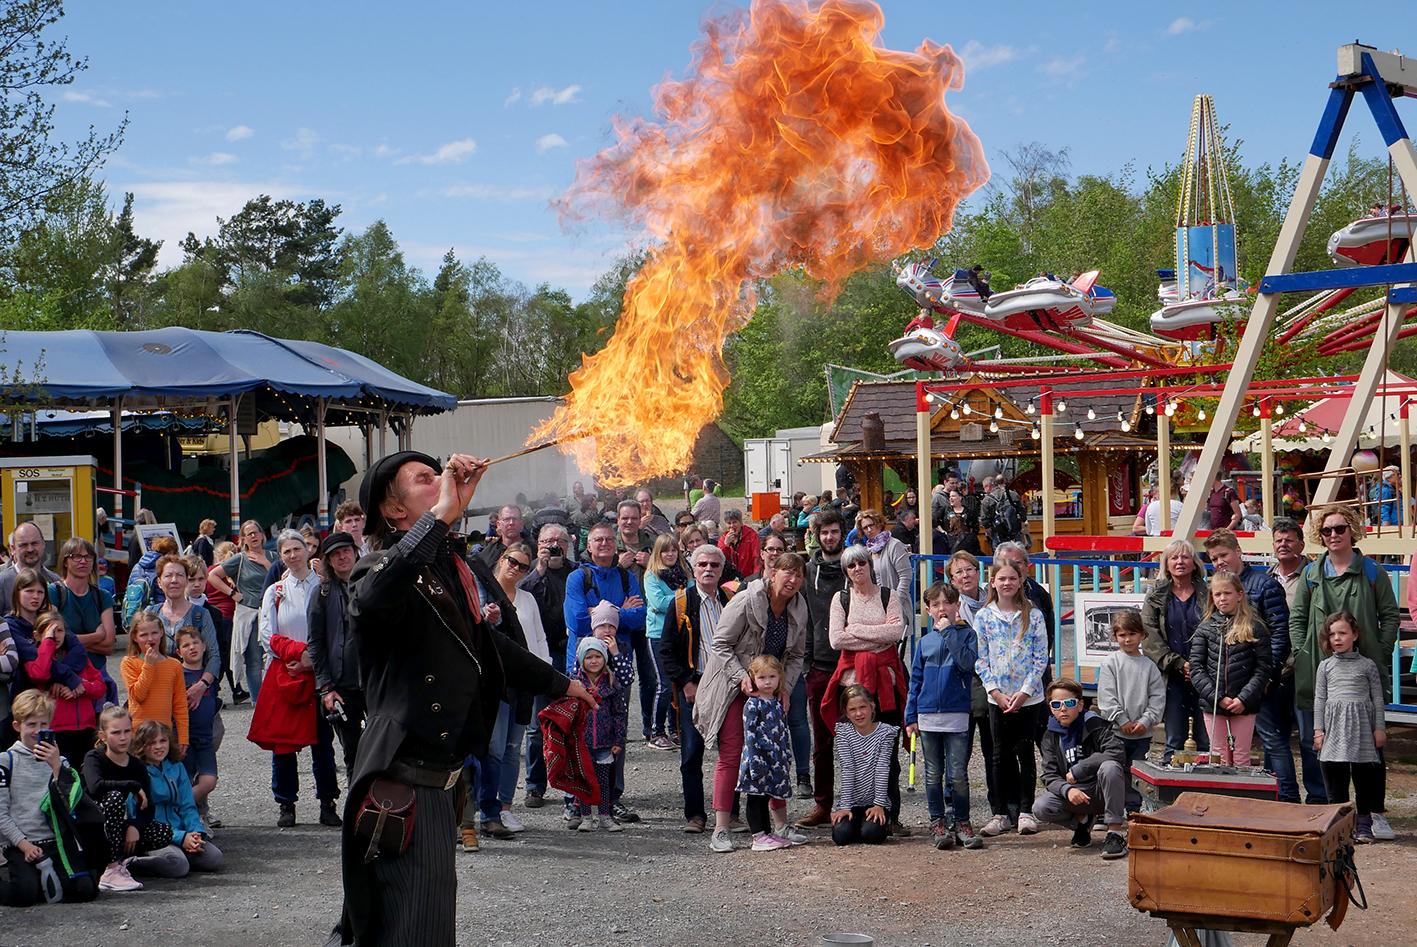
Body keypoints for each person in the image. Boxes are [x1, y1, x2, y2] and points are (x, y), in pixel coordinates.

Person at [331, 450, 593, 947]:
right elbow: (369, 600)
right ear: (395, 510)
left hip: (442, 778)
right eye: (425, 480)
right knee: (414, 926)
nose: (442, 483)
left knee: (416, 921)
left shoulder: (451, 567)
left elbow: (485, 642)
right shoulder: (379, 567)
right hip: (403, 776)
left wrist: (561, 683)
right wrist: (441, 515)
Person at [1290, 504, 1398, 840]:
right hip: (1321, 671)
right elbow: (1298, 618)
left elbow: (1390, 615)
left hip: (1363, 672)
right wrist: (1302, 652)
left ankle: (1374, 813)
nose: (1333, 535)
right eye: (1327, 531)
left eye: (1339, 529)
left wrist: (1379, 651)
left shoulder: (1371, 571)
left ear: (1352, 530)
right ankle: (1332, 811)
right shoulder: (1311, 574)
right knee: (1321, 743)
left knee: (1371, 749)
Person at [694, 554, 808, 854]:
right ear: (773, 573)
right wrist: (740, 677)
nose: (792, 579)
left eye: (798, 575)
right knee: (733, 754)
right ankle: (721, 829)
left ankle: (780, 823)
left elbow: (796, 656)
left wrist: (785, 687)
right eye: (787, 572)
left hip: (770, 688)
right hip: (735, 686)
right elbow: (720, 643)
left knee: (775, 755)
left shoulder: (799, 607)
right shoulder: (746, 599)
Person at [563, 520, 647, 824]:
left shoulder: (626, 577)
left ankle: (613, 798)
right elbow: (576, 621)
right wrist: (618, 611)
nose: (604, 544)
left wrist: (601, 612)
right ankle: (576, 800)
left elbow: (639, 618)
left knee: (614, 733)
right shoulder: (577, 577)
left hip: (616, 665)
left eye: (609, 540)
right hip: (581, 669)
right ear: (588, 545)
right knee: (578, 734)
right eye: (598, 539)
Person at [255, 529, 336, 828]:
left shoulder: (325, 586)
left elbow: (334, 628)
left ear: (307, 550)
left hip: (320, 673)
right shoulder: (275, 591)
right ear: (281, 555)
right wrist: (297, 655)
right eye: (286, 551)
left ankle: (328, 802)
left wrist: (312, 660)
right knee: (284, 743)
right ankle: (286, 803)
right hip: (288, 671)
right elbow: (267, 634)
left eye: (296, 549)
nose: (292, 555)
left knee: (322, 742)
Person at [826, 544, 908, 834]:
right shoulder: (841, 598)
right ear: (846, 571)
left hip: (885, 684)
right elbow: (836, 639)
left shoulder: (889, 595)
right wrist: (877, 639)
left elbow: (896, 632)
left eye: (861, 563)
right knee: (852, 752)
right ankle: (854, 808)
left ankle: (890, 813)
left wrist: (856, 629)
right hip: (852, 687)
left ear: (870, 565)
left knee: (888, 754)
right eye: (851, 565)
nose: (857, 569)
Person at [0, 688, 105, 905]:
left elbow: (72, 805)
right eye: (31, 725)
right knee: (24, 895)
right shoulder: (6, 761)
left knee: (86, 890)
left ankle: (49, 878)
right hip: (21, 843)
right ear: (17, 726)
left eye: (43, 725)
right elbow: (0, 813)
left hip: (57, 841)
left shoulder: (61, 761)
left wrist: (56, 766)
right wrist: (24, 845)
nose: (38, 731)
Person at [659, 543, 735, 833]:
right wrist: (686, 682)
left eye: (714, 565)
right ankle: (695, 815)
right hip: (695, 685)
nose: (708, 569)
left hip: (727, 686)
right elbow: (666, 651)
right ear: (692, 568)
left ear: (721, 569)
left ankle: (730, 813)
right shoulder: (680, 604)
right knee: (692, 753)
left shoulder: (730, 599)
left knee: (731, 752)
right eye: (702, 564)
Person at [973, 560, 1048, 838]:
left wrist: (1026, 690)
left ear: (1020, 581)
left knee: (1025, 753)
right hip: (998, 698)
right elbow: (980, 658)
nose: (1007, 583)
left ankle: (1026, 811)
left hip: (1027, 698)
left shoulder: (1033, 615)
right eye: (1001, 578)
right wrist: (994, 690)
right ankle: (1000, 812)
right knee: (998, 755)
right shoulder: (984, 616)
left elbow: (1041, 657)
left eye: (1012, 578)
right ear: (993, 582)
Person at [905, 583, 981, 850]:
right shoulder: (924, 642)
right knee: (932, 773)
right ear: (928, 610)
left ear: (956, 605)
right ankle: (937, 821)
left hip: (957, 713)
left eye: (946, 603)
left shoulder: (967, 635)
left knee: (958, 774)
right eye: (935, 605)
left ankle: (962, 821)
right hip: (927, 716)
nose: (941, 609)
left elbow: (967, 664)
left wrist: (949, 632)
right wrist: (910, 714)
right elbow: (915, 680)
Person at [1032, 678, 1129, 860]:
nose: (1063, 708)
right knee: (1041, 807)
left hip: (1102, 790)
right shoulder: (1049, 735)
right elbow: (1049, 775)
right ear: (1051, 708)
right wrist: (1067, 790)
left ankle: (1115, 833)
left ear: (1080, 704)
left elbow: (1116, 751)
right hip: (1076, 794)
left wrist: (1079, 770)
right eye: (1056, 704)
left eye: (1069, 703)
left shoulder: (1094, 724)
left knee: (1110, 767)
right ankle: (1082, 823)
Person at [1313, 611, 1387, 844]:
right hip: (1334, 730)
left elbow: (1377, 699)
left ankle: (1363, 822)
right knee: (1336, 778)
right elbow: (1319, 700)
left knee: (1364, 777)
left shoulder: (1368, 666)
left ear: (1354, 635)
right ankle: (1340, 824)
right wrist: (1318, 731)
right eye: (1332, 634)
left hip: (1362, 730)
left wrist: (1380, 728)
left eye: (1342, 633)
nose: (1337, 638)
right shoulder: (1325, 667)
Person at [794, 510, 846, 828]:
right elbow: (801, 621)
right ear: (816, 534)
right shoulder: (807, 572)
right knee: (822, 742)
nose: (830, 537)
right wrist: (806, 663)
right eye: (824, 532)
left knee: (860, 738)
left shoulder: (854, 569)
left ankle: (861, 802)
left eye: (835, 532)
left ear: (843, 533)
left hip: (850, 664)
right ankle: (823, 805)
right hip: (819, 667)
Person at [518, 523, 575, 809]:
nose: (554, 546)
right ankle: (534, 785)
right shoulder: (531, 574)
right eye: (548, 541)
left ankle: (570, 788)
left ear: (568, 544)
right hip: (540, 653)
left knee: (570, 723)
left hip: (570, 652)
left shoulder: (577, 572)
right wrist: (539, 567)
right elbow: (519, 596)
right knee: (536, 725)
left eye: (559, 541)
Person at [1190, 571, 1271, 766]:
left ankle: (1241, 796)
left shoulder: (1255, 627)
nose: (1222, 598)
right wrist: (1217, 697)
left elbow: (1263, 668)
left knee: (1241, 756)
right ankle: (1220, 796)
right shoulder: (1205, 628)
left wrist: (1244, 698)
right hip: (1214, 705)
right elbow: (1196, 667)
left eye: (1227, 593)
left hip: (1244, 705)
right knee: (1218, 756)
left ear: (1239, 594)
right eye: (1217, 594)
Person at [1141, 539, 1210, 763]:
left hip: (1206, 675)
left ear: (1194, 563)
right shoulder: (1156, 597)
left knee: (1206, 738)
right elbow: (1149, 636)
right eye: (1174, 557)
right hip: (1171, 676)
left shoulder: (1208, 594)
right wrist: (1179, 664)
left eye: (1185, 557)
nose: (1180, 561)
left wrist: (1197, 665)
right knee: (1175, 738)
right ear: (1166, 564)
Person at [131, 719, 222, 876]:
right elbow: (141, 816)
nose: (159, 747)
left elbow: (187, 805)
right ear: (141, 746)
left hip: (181, 830)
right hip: (156, 836)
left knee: (214, 858)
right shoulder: (138, 771)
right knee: (178, 865)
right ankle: (131, 864)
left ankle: (182, 851)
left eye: (163, 741)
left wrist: (195, 833)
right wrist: (180, 838)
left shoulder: (177, 766)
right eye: (152, 743)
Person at [568, 610, 632, 832]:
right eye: (589, 657)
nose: (594, 661)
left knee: (604, 781)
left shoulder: (612, 682)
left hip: (605, 740)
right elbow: (570, 713)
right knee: (584, 779)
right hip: (582, 741)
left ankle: (605, 815)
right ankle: (584, 816)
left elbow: (619, 712)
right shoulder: (575, 684)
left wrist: (619, 739)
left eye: (598, 657)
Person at [307, 531, 364, 777]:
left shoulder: (373, 585)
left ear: (355, 553)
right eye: (336, 554)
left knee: (386, 750)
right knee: (352, 752)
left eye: (346, 551)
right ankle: (357, 811)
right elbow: (315, 644)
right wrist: (326, 687)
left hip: (376, 682)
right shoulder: (321, 594)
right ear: (328, 561)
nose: (342, 557)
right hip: (342, 685)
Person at [1096, 610, 1164, 813]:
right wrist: (1121, 719)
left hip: (1142, 732)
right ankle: (1107, 808)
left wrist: (1145, 721)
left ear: (1142, 635)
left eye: (1132, 634)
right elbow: (1106, 696)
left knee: (1136, 771)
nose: (1127, 639)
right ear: (1115, 637)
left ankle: (1133, 808)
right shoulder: (1111, 663)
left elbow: (1158, 698)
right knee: (1113, 769)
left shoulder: (1150, 666)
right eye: (1122, 635)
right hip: (1116, 732)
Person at [82, 705, 153, 893]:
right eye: (116, 732)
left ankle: (125, 861)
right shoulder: (94, 758)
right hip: (93, 826)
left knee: (163, 832)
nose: (123, 738)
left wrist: (135, 827)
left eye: (127, 731)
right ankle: (110, 869)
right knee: (113, 798)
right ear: (102, 736)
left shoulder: (136, 764)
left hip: (118, 827)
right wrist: (132, 785)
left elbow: (148, 806)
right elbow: (95, 787)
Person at [23, 611, 101, 766]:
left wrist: (81, 686)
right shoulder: (35, 658)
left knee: (84, 778)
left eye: (60, 631)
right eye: (50, 631)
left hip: (85, 728)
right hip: (55, 730)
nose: (56, 635)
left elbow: (100, 687)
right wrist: (48, 642)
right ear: (37, 635)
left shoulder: (77, 656)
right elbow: (41, 673)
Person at [208, 520, 272, 703]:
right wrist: (232, 593)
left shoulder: (273, 556)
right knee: (254, 662)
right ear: (243, 538)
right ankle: (258, 703)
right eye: (249, 533)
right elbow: (212, 576)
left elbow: (280, 577)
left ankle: (273, 700)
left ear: (261, 534)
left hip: (272, 613)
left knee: (273, 660)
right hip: (250, 614)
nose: (253, 536)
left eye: (256, 532)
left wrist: (266, 563)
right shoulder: (241, 558)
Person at [736, 654, 796, 852]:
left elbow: (783, 731)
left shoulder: (777, 703)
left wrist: (786, 755)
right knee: (755, 796)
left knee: (767, 794)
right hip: (758, 759)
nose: (767, 682)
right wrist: (754, 761)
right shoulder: (753, 704)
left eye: (772, 677)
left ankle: (768, 833)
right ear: (753, 678)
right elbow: (749, 734)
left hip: (775, 759)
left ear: (779, 677)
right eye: (762, 678)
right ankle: (758, 835)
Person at [830, 684, 894, 847]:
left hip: (874, 801)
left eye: (863, 707)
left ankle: (880, 822)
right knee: (840, 836)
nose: (859, 713)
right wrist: (844, 806)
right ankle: (855, 824)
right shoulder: (844, 732)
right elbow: (847, 768)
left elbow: (882, 768)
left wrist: (879, 804)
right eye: (852, 709)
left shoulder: (885, 733)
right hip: (852, 802)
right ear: (846, 712)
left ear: (872, 706)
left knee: (872, 835)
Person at [120, 610, 189, 755]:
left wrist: (183, 737)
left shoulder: (174, 665)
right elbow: (138, 696)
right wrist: (149, 665)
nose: (150, 638)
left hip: (164, 735)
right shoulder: (129, 663)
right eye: (144, 635)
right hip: (139, 734)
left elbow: (180, 705)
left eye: (154, 633)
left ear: (162, 633)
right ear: (134, 637)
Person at [643, 533, 687, 751]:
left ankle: (675, 729)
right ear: (657, 554)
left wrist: (681, 596)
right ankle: (656, 731)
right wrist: (682, 597)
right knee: (665, 683)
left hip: (680, 634)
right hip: (659, 634)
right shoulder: (651, 576)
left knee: (677, 683)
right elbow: (659, 603)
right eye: (665, 551)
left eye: (673, 550)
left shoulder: (683, 573)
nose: (670, 554)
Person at [175, 628, 220, 822]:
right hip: (185, 738)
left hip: (205, 738)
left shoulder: (209, 676)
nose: (191, 647)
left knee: (209, 781)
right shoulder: (177, 674)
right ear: (178, 652)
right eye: (185, 645)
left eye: (195, 643)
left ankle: (179, 806)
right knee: (185, 780)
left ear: (204, 647)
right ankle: (189, 819)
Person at [205, 540, 240, 702]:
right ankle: (237, 689)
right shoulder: (234, 572)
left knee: (217, 655)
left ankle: (217, 689)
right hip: (231, 616)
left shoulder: (210, 572)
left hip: (214, 617)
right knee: (230, 656)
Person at [0, 522, 61, 613]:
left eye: (34, 543)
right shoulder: (2, 582)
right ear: (12, 549)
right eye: (23, 545)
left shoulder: (55, 581)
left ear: (43, 544)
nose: (30, 549)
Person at [858, 508, 911, 603]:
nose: (869, 530)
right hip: (874, 606)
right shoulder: (867, 551)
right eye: (865, 528)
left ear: (879, 524)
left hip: (895, 605)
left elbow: (905, 577)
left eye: (871, 525)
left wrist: (895, 602)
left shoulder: (894, 545)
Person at [476, 504, 528, 569]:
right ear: (498, 524)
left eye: (515, 519)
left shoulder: (534, 550)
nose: (511, 523)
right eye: (507, 519)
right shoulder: (487, 554)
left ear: (521, 524)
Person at [718, 508, 762, 581]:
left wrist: (756, 578)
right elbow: (720, 559)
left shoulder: (751, 536)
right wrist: (726, 545)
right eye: (729, 523)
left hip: (748, 577)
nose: (732, 525)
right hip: (731, 578)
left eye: (734, 522)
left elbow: (756, 558)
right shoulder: (723, 538)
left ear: (741, 523)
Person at [1142, 472, 1185, 537]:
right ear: (1176, 492)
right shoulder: (1180, 506)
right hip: (1175, 540)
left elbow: (1148, 530)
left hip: (1155, 541)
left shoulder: (1150, 506)